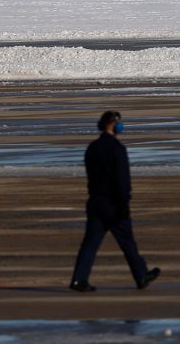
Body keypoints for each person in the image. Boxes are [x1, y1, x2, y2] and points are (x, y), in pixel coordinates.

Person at [69, 110, 161, 292]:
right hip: (113, 203)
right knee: (127, 242)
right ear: (114, 125)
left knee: (90, 244)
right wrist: (124, 201)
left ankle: (79, 280)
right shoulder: (117, 149)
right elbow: (122, 180)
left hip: (96, 201)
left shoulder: (93, 147)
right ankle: (141, 276)